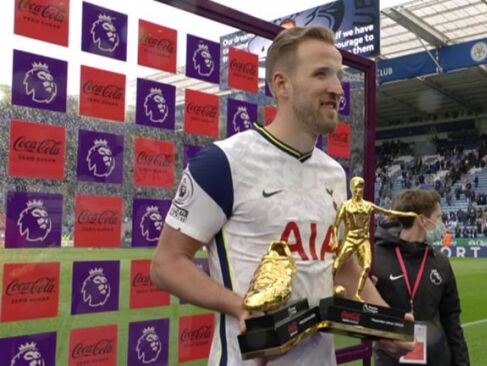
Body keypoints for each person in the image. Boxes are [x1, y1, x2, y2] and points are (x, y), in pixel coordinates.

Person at [150, 26, 413, 366]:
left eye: (338, 75)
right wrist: (239, 307)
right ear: (281, 84)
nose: (337, 88)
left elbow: (342, 269)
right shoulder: (223, 163)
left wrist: (385, 325)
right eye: (322, 74)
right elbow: (166, 264)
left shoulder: (334, 173)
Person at [373, 189, 470, 366]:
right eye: (438, 217)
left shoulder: (440, 262)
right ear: (421, 220)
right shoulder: (375, 258)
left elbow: (452, 322)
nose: (441, 224)